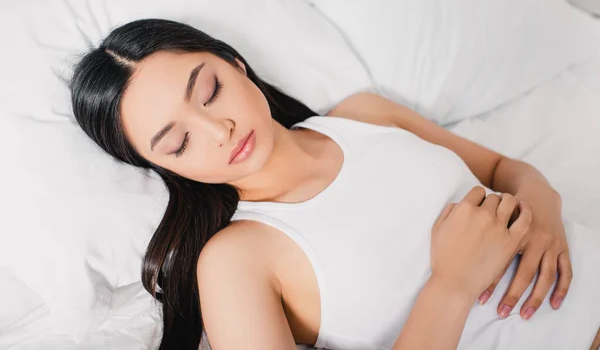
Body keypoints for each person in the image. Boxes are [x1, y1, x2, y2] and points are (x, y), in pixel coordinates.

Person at [69, 19, 600, 350]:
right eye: (179, 143)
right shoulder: (236, 261)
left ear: (235, 63)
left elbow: (510, 171)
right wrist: (451, 286)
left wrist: (545, 219)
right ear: (167, 170)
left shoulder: (365, 116)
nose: (218, 130)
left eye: (209, 91)